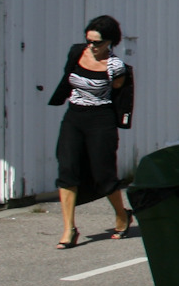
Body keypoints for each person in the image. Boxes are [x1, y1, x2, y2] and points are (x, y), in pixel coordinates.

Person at [51, 15, 135, 249]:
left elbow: (117, 93)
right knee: (66, 169)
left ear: (110, 42)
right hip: (74, 116)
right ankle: (69, 229)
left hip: (101, 119)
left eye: (97, 43)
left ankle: (122, 215)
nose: (91, 46)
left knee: (103, 173)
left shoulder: (115, 67)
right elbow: (68, 78)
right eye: (89, 41)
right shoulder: (77, 53)